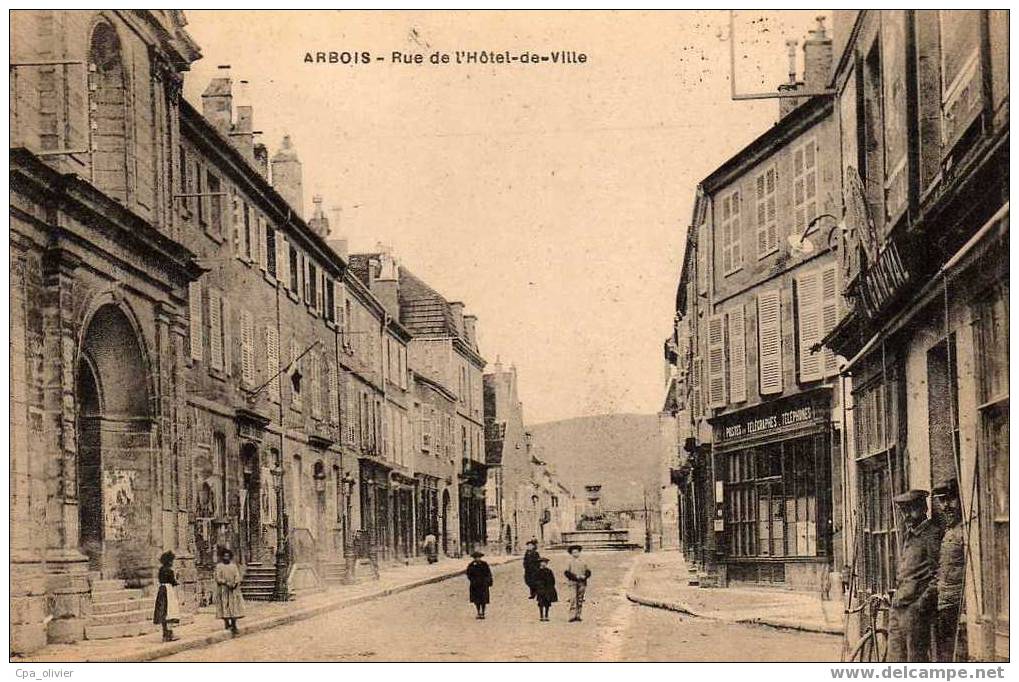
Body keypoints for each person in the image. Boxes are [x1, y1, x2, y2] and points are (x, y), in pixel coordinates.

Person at [887, 490, 942, 662]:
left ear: (923, 508)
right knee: (894, 663)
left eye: (911, 510)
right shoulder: (908, 535)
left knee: (915, 663)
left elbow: (939, 576)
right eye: (903, 511)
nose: (907, 516)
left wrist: (920, 605)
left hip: (915, 612)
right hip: (898, 607)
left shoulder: (931, 535)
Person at [933, 480, 966, 662]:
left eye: (950, 500)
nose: (946, 506)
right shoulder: (948, 531)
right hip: (943, 604)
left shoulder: (966, 531)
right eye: (942, 501)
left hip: (957, 606)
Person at [214, 548, 245, 635]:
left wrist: (235, 583)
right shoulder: (219, 566)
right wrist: (225, 582)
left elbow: (237, 576)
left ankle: (234, 624)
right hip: (224, 589)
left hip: (233, 590)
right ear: (222, 557)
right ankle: (227, 623)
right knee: (225, 606)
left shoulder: (233, 566)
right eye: (224, 556)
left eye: (228, 556)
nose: (226, 557)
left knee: (234, 606)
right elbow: (217, 577)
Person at [152, 550, 180, 642]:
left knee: (163, 611)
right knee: (170, 611)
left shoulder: (161, 570)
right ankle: (169, 634)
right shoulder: (169, 571)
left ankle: (165, 633)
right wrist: (177, 578)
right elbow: (173, 582)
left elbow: (160, 580)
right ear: (169, 561)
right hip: (168, 590)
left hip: (161, 589)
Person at [564, 544, 591, 623]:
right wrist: (575, 577)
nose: (575, 554)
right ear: (571, 554)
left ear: (579, 552)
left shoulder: (583, 561)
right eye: (573, 552)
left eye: (577, 552)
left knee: (580, 599)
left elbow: (588, 571)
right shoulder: (569, 562)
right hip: (572, 582)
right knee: (573, 599)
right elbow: (566, 573)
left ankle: (578, 615)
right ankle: (572, 615)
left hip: (582, 582)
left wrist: (584, 576)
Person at [466, 550, 493, 619]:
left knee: (483, 599)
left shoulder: (484, 564)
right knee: (476, 600)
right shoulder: (471, 565)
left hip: (483, 584)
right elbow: (468, 574)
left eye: (478, 557)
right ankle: (478, 612)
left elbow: (488, 573)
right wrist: (472, 580)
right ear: (474, 558)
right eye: (476, 557)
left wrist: (488, 581)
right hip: (475, 585)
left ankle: (483, 612)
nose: (477, 559)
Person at [533, 556, 558, 622]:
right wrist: (537, 587)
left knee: (547, 603)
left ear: (547, 564)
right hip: (540, 589)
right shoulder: (537, 571)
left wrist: (551, 588)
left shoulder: (549, 571)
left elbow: (553, 580)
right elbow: (534, 580)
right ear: (539, 563)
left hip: (547, 589)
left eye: (545, 563)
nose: (543, 564)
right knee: (540, 603)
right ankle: (541, 616)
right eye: (542, 563)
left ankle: (546, 615)